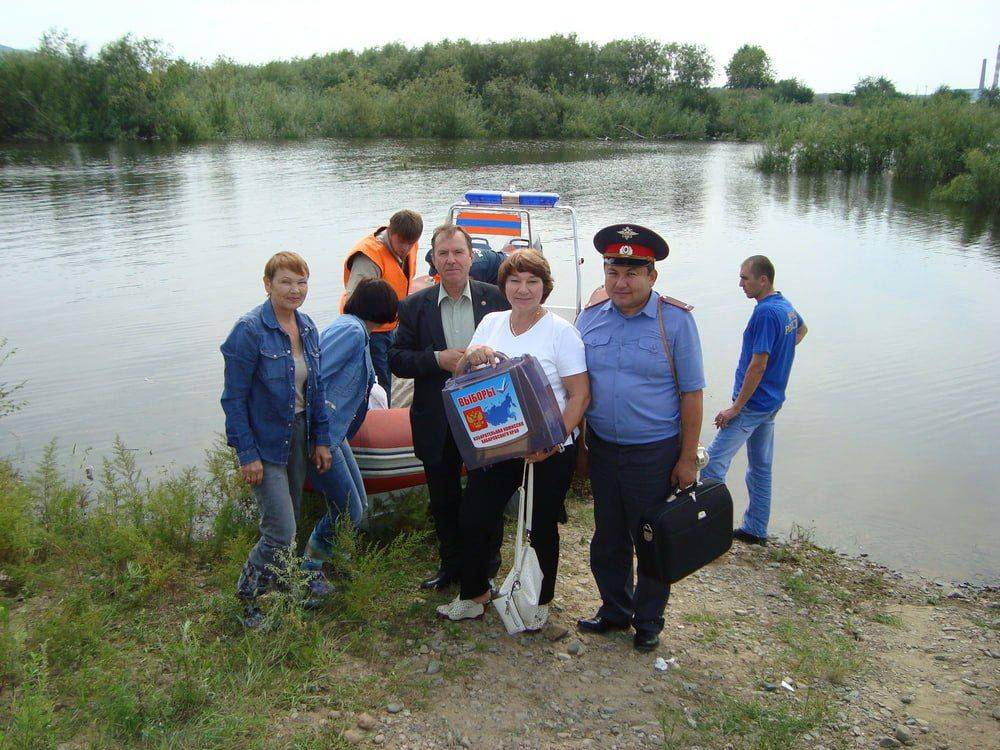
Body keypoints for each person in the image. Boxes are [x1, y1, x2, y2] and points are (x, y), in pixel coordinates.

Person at [435, 249, 590, 627]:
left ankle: (539, 602)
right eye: (515, 281)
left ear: (545, 288)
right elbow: (463, 374)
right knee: (474, 518)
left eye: (532, 282)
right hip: (498, 444)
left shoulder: (561, 332)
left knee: (540, 527)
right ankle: (475, 594)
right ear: (504, 285)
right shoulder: (490, 322)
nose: (523, 289)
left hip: (547, 449)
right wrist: (471, 358)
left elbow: (579, 394)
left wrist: (553, 441)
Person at [575, 224, 705, 652]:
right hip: (604, 450)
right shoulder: (588, 318)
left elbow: (691, 394)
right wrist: (579, 448)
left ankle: (648, 619)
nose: (621, 281)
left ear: (652, 275)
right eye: (613, 270)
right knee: (608, 538)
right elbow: (577, 389)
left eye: (632, 271)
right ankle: (615, 609)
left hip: (654, 452)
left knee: (650, 537)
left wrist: (687, 459)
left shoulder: (676, 322)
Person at [389, 224, 509, 591]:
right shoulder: (413, 306)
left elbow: (516, 349)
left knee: (487, 496)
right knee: (443, 499)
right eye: (444, 253)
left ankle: (487, 564)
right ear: (434, 260)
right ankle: (450, 566)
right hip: (436, 419)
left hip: (487, 418)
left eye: (458, 252)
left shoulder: (496, 298)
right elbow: (396, 359)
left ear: (471, 257)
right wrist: (437, 359)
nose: (452, 260)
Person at [220, 251, 333, 627]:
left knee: (293, 518)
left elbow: (316, 389)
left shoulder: (309, 328)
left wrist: (321, 438)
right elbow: (233, 399)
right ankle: (247, 597)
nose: (295, 289)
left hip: (299, 435)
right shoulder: (249, 330)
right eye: (285, 281)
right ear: (267, 284)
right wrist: (246, 453)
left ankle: (285, 587)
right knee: (280, 530)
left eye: (301, 282)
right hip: (265, 443)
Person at [701, 256, 807, 546]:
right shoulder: (785, 307)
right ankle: (756, 528)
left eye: (745, 278)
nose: (740, 284)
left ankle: (712, 532)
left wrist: (735, 408)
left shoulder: (764, 314)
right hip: (772, 403)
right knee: (760, 467)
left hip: (751, 406)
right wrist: (780, 357)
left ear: (764, 280)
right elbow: (801, 330)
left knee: (711, 467)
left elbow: (758, 364)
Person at [302, 279, 399, 584]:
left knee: (358, 505)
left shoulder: (356, 330)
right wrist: (318, 438)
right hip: (323, 436)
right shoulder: (352, 332)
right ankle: (311, 570)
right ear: (383, 309)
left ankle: (337, 564)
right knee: (348, 510)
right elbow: (315, 378)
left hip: (335, 434)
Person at [340, 209, 423, 404]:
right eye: (401, 242)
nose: (406, 248)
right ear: (390, 232)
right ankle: (380, 418)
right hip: (372, 330)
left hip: (392, 324)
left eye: (411, 243)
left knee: (390, 370)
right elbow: (355, 302)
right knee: (379, 380)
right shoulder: (369, 257)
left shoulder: (411, 243)